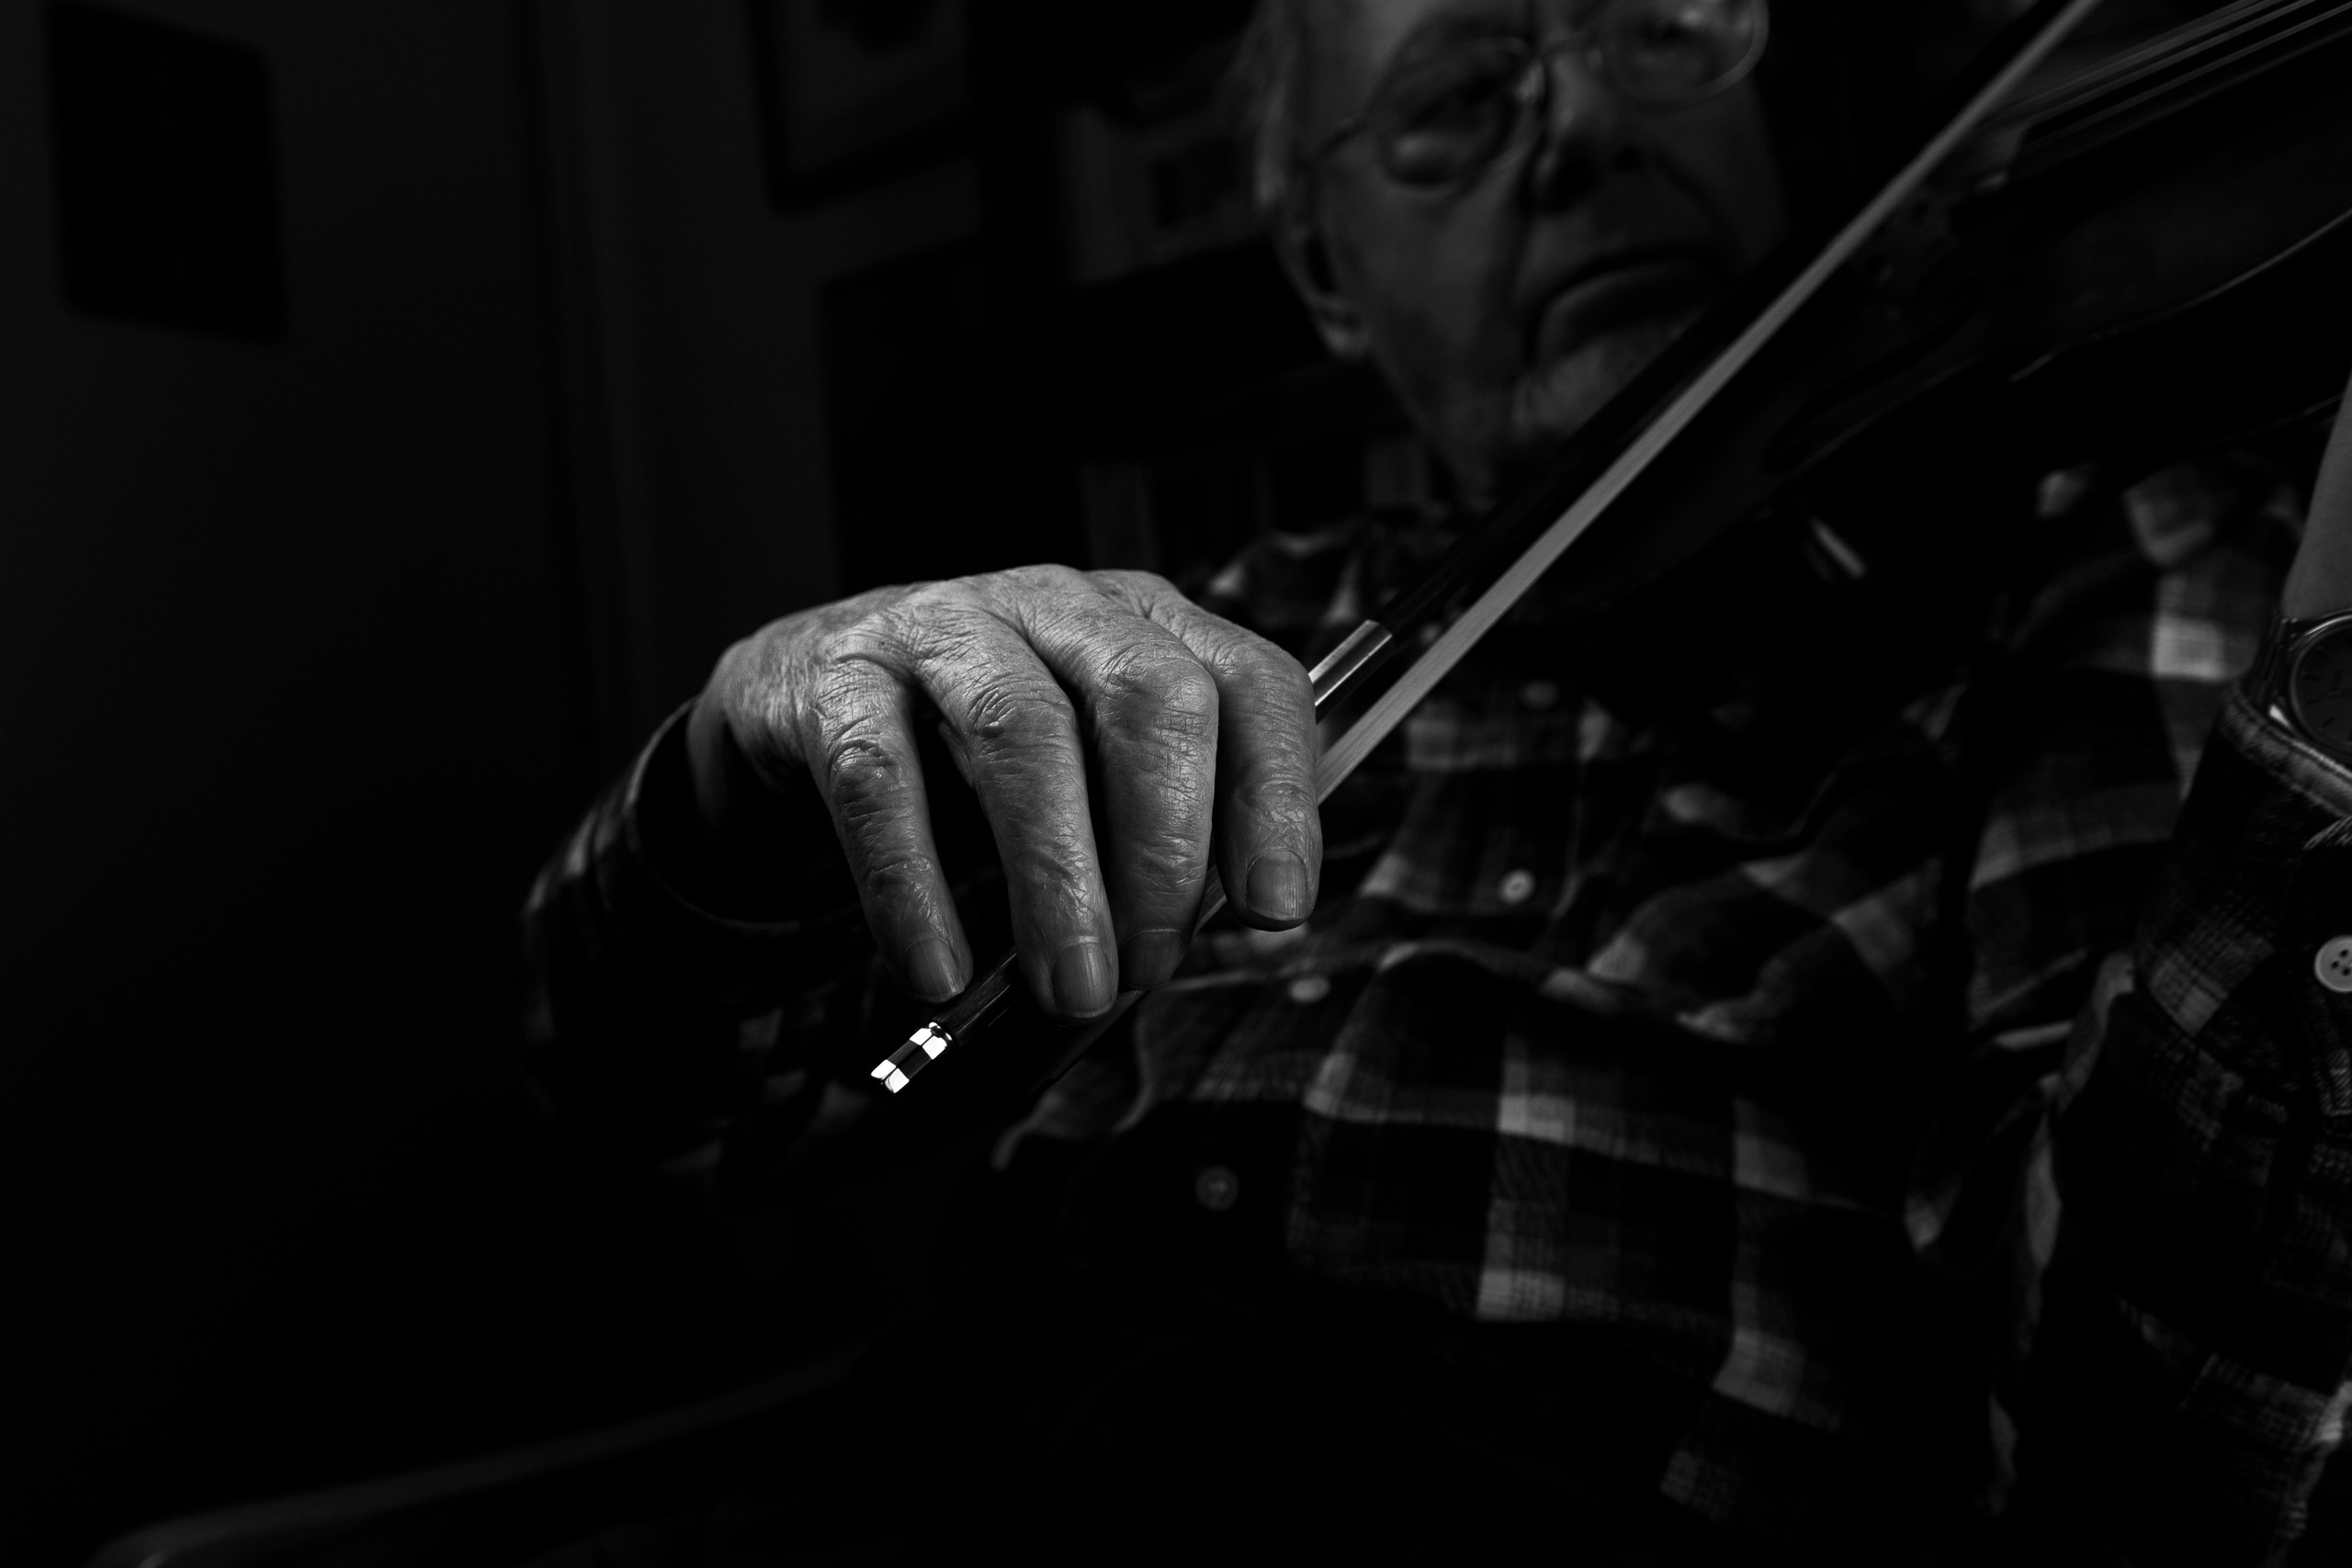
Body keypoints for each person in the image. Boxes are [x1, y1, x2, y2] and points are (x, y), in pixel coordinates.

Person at [521, 0, 2352, 1561]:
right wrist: (745, 755)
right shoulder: (1248, 628)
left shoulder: (2082, 570)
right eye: (1451, 101)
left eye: (1653, 28)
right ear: (1321, 268)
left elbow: (2151, 1474)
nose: (1577, 135)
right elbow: (671, 1101)